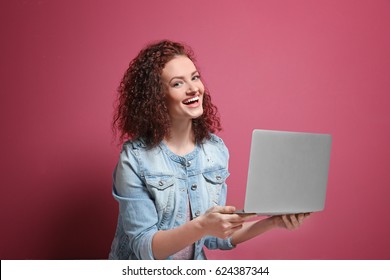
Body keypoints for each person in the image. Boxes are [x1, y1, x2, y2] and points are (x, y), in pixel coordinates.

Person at [109, 40, 310, 260]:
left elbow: (215, 238)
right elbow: (145, 248)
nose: (193, 88)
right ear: (156, 98)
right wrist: (203, 225)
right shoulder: (135, 158)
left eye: (195, 77)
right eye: (177, 83)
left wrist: (273, 221)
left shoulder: (214, 150)